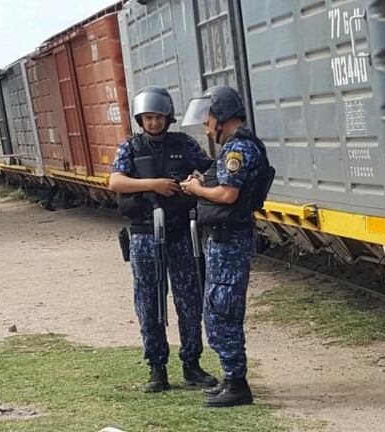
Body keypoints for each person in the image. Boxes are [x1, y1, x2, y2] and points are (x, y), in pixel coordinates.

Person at [108, 86, 217, 393]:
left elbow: (210, 170)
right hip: (144, 235)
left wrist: (195, 181)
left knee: (189, 299)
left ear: (168, 117)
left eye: (158, 117)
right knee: (149, 300)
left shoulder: (184, 144)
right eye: (148, 117)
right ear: (140, 119)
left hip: (181, 233)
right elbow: (115, 180)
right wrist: (154, 184)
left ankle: (192, 364)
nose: (153, 123)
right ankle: (157, 369)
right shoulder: (130, 148)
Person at [180, 85, 273, 408]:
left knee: (223, 310)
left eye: (207, 119)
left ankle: (237, 384)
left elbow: (227, 195)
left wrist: (196, 189)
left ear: (221, 116)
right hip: (223, 238)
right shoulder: (235, 147)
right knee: (217, 308)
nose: (206, 127)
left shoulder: (238, 150)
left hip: (229, 240)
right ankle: (231, 378)